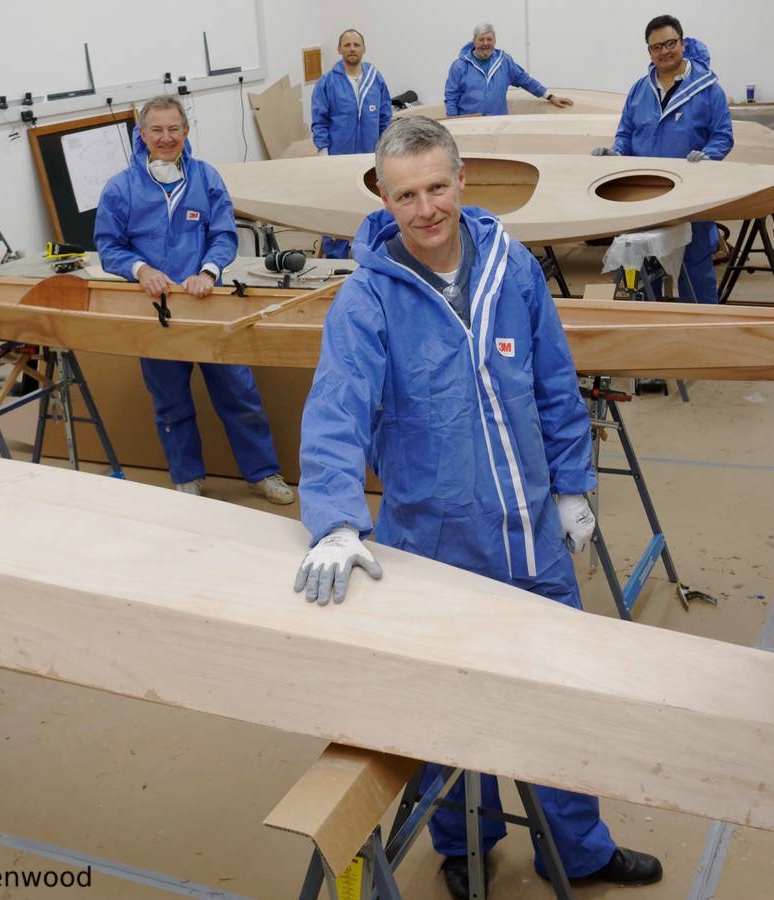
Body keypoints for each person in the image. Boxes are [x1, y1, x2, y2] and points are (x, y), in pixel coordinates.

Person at [292, 117, 662, 899]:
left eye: (435, 187)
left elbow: (556, 385)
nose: (425, 209)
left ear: (461, 181)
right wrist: (333, 521)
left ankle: (580, 847)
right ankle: (465, 842)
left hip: (530, 538)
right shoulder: (366, 300)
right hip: (432, 545)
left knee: (558, 697)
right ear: (383, 199)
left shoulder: (514, 270)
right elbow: (336, 414)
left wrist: (570, 488)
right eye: (405, 195)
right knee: (447, 714)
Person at [95, 96, 293, 505]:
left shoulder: (206, 179)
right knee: (170, 402)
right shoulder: (121, 188)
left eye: (174, 129)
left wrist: (208, 272)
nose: (166, 138)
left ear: (186, 132)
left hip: (208, 305)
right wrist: (140, 270)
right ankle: (187, 478)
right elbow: (108, 246)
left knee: (239, 395)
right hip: (157, 314)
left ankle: (263, 473)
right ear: (142, 134)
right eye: (156, 130)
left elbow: (223, 235)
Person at [594, 14, 733, 303]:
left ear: (682, 44)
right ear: (649, 51)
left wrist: (709, 155)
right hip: (645, 194)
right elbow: (626, 133)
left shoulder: (708, 89)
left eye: (670, 43)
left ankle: (700, 328)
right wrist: (616, 152)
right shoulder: (639, 90)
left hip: (692, 193)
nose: (664, 51)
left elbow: (723, 135)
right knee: (642, 265)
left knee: (694, 267)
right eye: (656, 47)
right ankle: (648, 326)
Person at [312, 28, 394, 259]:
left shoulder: (375, 78)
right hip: (338, 158)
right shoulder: (327, 82)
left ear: (363, 49)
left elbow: (385, 116)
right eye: (347, 45)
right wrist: (323, 150)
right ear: (339, 49)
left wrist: (385, 148)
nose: (351, 49)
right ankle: (336, 257)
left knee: (372, 205)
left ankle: (372, 254)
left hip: (370, 157)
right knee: (336, 207)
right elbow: (319, 120)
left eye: (356, 45)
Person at [444, 23, 574, 117]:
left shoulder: (505, 62)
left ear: (495, 41)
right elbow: (451, 97)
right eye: (481, 39)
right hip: (469, 125)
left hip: (498, 123)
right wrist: (453, 122)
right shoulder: (459, 66)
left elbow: (525, 80)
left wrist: (550, 96)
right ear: (474, 41)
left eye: (489, 39)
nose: (485, 43)